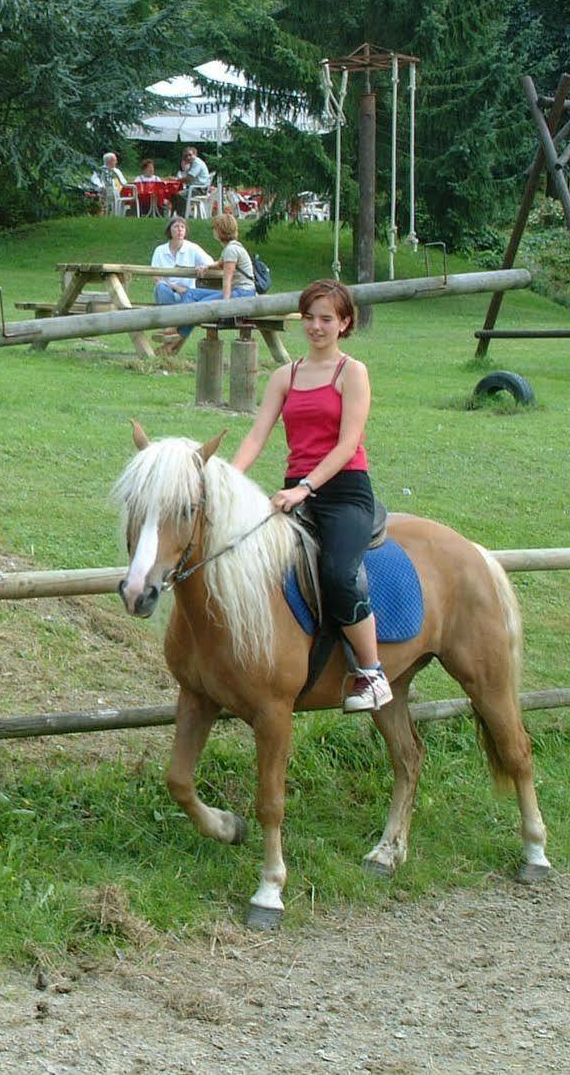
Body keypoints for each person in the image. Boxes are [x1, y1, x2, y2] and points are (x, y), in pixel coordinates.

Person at [231, 279, 391, 713]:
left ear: (344, 323)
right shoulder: (286, 375)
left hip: (344, 491)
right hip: (296, 491)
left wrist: (304, 487)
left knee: (339, 573)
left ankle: (372, 673)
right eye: (309, 318)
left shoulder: (351, 372)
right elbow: (257, 435)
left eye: (326, 319)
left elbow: (347, 443)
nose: (316, 327)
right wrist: (224, 477)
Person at [159, 212, 254, 352]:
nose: (213, 231)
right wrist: (208, 266)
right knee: (191, 294)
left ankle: (170, 339)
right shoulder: (231, 247)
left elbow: (227, 278)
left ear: (220, 230)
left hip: (242, 294)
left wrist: (225, 305)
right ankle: (172, 334)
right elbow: (221, 263)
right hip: (237, 292)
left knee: (198, 307)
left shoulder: (231, 250)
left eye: (215, 228)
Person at [178, 145, 212, 217]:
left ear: (195, 154)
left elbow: (189, 178)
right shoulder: (193, 163)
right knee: (176, 194)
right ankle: (182, 214)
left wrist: (177, 180)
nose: (188, 157)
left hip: (199, 189)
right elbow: (186, 176)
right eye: (186, 156)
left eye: (190, 155)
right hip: (196, 188)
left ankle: (182, 215)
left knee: (178, 195)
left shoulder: (197, 163)